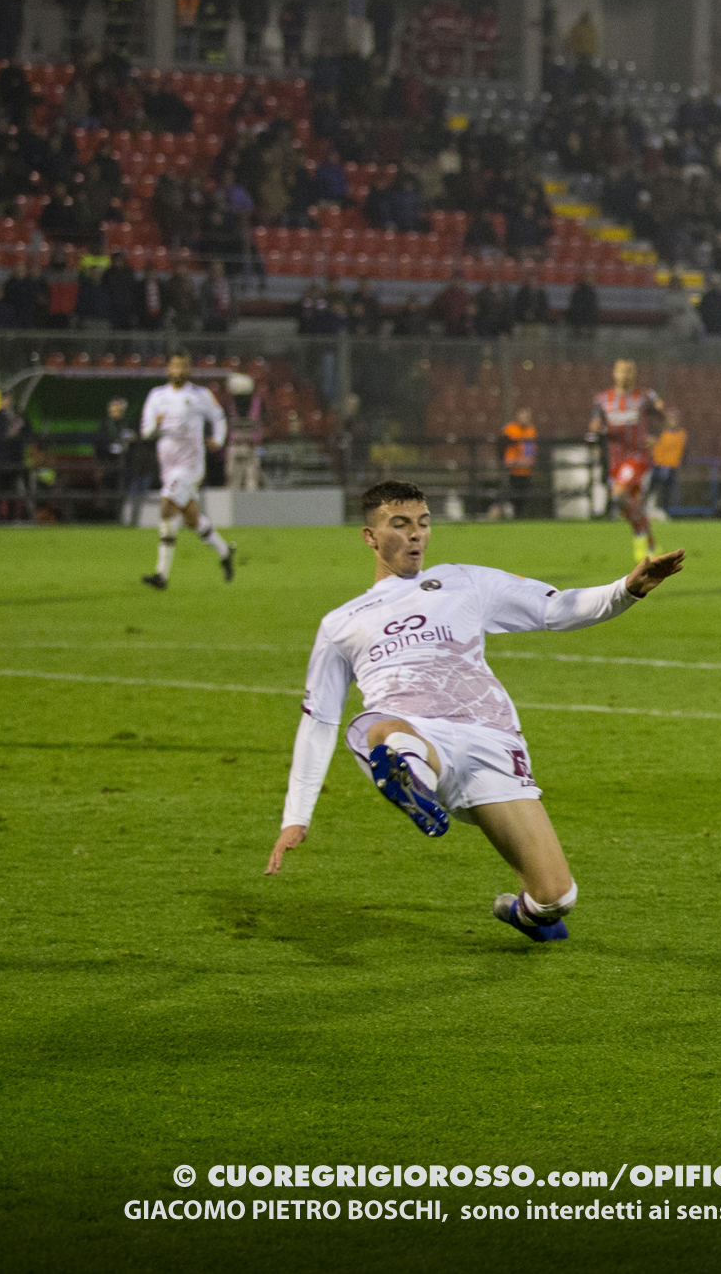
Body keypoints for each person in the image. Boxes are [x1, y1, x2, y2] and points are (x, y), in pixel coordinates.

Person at [263, 479, 686, 945]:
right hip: (414, 728)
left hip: (489, 739)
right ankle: (411, 779)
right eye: (399, 525)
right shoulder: (341, 623)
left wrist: (627, 588)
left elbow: (555, 609)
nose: (415, 534)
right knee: (385, 731)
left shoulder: (463, 580)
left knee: (556, 897)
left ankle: (522, 912)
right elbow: (320, 718)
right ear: (370, 536)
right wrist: (295, 816)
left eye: (423, 523)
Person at [138, 355, 234, 589]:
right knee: (192, 520)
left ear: (189, 369)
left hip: (190, 466)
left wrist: (219, 439)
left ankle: (161, 575)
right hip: (168, 467)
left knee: (166, 508)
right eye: (175, 366)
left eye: (183, 366)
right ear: (168, 369)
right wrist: (156, 425)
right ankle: (224, 551)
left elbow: (219, 417)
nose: (179, 370)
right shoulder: (156, 396)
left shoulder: (200, 395)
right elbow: (146, 431)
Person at [590, 359, 666, 563]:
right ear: (614, 373)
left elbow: (665, 416)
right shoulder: (602, 399)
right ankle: (649, 544)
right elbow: (595, 423)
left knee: (617, 494)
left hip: (637, 457)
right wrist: (595, 428)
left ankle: (640, 539)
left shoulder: (645, 397)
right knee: (634, 505)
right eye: (622, 371)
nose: (625, 375)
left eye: (629, 371)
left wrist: (656, 436)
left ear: (635, 374)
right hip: (615, 460)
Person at [0, 399, 30, 524]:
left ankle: (12, 518)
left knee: (14, 491)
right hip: (0, 460)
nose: (8, 401)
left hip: (16, 460)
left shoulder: (19, 416)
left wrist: (20, 429)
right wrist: (10, 433)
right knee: (0, 491)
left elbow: (28, 436)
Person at [96, 396, 135, 520]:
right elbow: (99, 443)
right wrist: (110, 448)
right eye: (112, 409)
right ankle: (109, 518)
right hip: (109, 463)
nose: (114, 412)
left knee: (123, 491)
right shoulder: (105, 424)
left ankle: (121, 517)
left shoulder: (127, 423)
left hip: (125, 463)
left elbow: (134, 440)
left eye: (117, 409)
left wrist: (131, 439)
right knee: (109, 491)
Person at [501, 407, 537, 520]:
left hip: (525, 472)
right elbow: (504, 449)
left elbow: (529, 455)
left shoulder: (530, 430)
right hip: (510, 472)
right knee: (505, 496)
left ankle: (518, 517)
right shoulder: (510, 429)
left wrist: (521, 461)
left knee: (522, 500)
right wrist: (513, 461)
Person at [650, 409, 687, 513]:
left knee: (668, 491)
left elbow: (682, 451)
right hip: (659, 465)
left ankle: (664, 511)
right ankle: (651, 509)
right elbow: (654, 449)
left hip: (672, 466)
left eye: (675, 418)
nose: (673, 421)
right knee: (654, 489)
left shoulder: (682, 434)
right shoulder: (661, 433)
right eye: (670, 418)